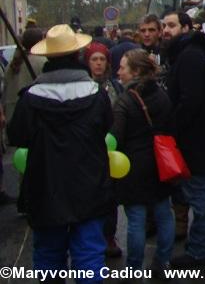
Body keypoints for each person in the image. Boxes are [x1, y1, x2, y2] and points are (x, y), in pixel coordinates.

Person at [7, 25, 113, 283]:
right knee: (89, 257)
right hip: (89, 186)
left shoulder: (30, 98)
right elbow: (106, 128)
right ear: (78, 54)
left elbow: (16, 137)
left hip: (46, 187)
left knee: (48, 257)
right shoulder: (97, 95)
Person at [162, 11, 205, 268]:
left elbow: (190, 100)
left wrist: (172, 128)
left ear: (186, 28)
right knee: (202, 191)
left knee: (198, 194)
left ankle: (199, 252)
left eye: (171, 25)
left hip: (192, 139)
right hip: (197, 137)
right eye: (164, 25)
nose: (166, 30)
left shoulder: (189, 57)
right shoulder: (187, 54)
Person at [111, 50, 175, 278]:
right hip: (160, 162)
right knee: (164, 213)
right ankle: (163, 261)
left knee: (136, 220)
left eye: (122, 67)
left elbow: (116, 136)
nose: (118, 71)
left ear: (136, 72)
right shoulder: (161, 94)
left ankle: (134, 269)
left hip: (133, 165)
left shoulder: (126, 100)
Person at [83, 41, 123, 257]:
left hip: (113, 148)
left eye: (101, 60)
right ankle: (93, 236)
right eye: (94, 60)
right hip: (90, 148)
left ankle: (109, 235)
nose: (98, 64)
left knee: (111, 196)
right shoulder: (83, 87)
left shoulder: (115, 86)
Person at [1, 27, 45, 207]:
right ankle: (33, 197)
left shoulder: (14, 63)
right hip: (33, 114)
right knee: (37, 158)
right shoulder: (40, 62)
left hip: (15, 115)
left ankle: (24, 196)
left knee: (23, 158)